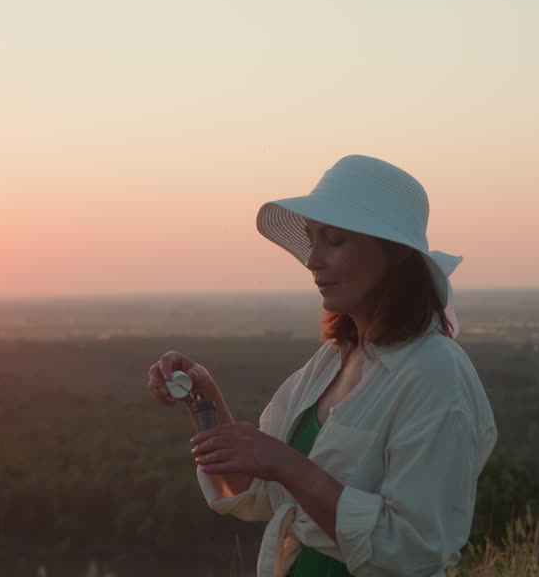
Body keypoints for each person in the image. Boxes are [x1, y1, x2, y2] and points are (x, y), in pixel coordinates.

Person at [147, 155, 497, 576]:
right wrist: (204, 402)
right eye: (312, 239)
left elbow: (417, 550)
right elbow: (251, 492)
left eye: (334, 241)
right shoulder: (333, 360)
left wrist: (288, 464)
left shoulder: (436, 373)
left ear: (398, 253)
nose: (312, 259)